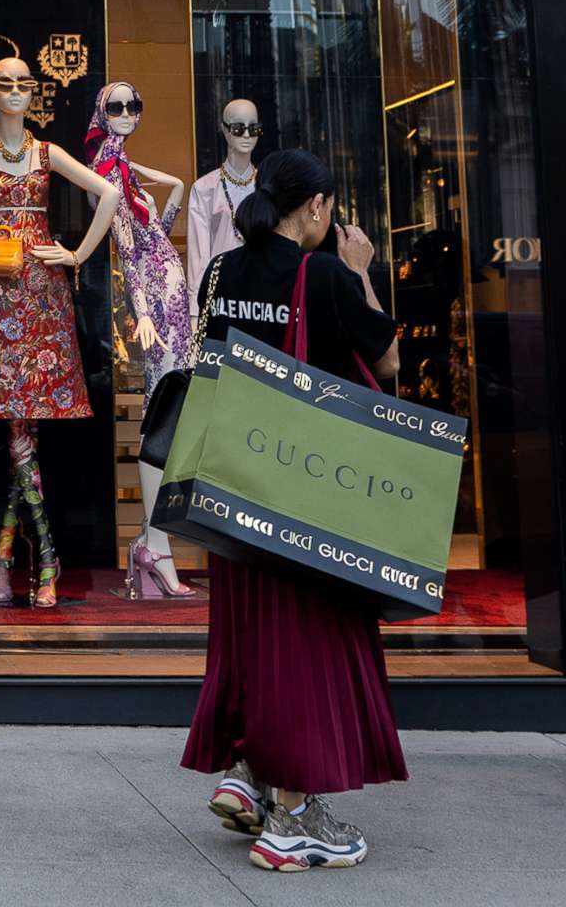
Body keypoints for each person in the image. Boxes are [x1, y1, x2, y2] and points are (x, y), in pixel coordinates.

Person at [182, 149, 403, 872]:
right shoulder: (327, 275)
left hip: (231, 487)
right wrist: (364, 269)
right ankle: (295, 817)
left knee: (249, 636)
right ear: (314, 208)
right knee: (307, 645)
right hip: (303, 499)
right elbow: (390, 363)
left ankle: (247, 773)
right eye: (329, 209)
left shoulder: (220, 271)